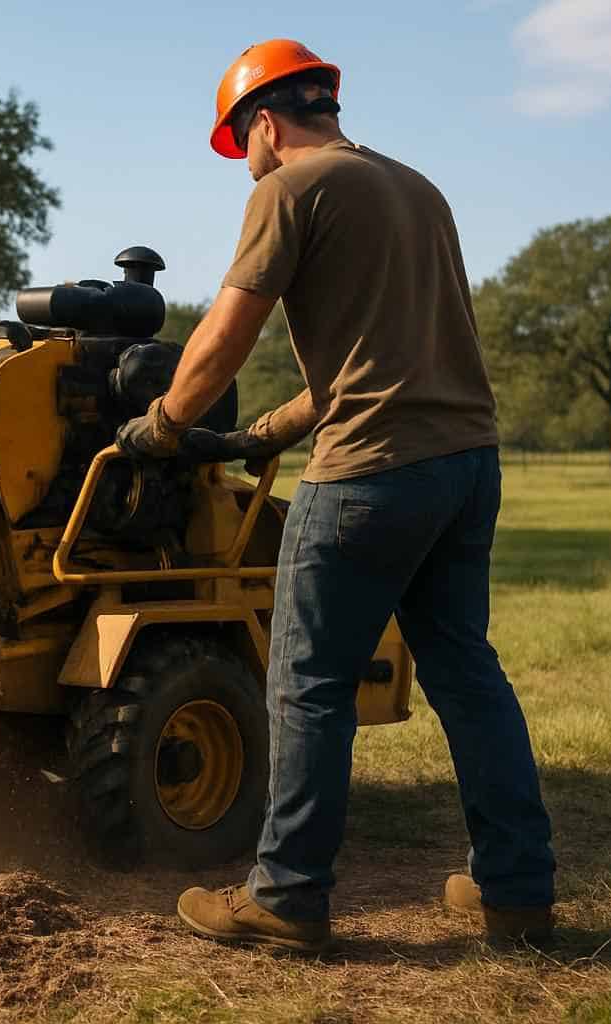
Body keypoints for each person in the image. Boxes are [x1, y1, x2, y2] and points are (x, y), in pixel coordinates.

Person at [116, 39, 556, 953]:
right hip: (466, 465)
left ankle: (286, 898)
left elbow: (225, 335)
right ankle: (516, 893)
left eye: (242, 147)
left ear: (264, 124)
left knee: (307, 683)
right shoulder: (417, 190)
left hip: (370, 471)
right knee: (468, 675)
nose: (246, 166)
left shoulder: (291, 188)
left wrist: (160, 425)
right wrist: (266, 432)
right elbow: (383, 358)